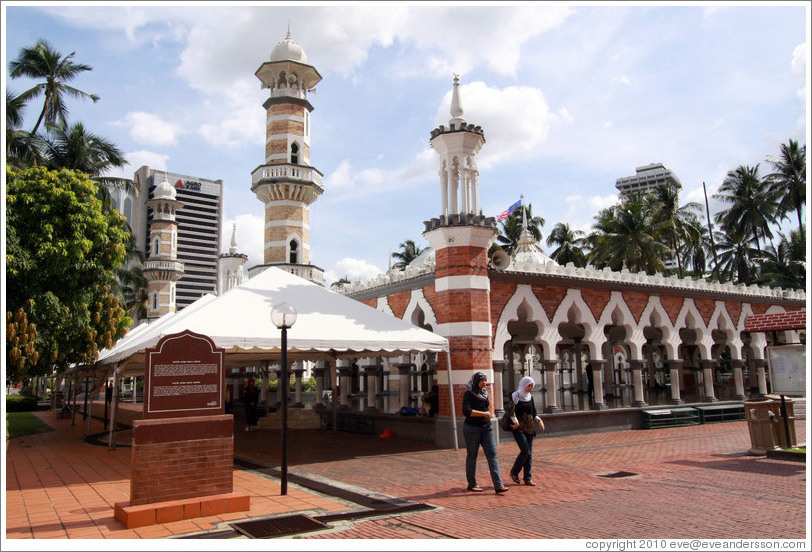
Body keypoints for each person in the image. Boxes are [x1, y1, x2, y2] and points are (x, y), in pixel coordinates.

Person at [462, 371, 509, 494]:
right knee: (472, 456)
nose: (484, 383)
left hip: (486, 427)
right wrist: (484, 414)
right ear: (476, 381)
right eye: (482, 380)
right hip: (472, 428)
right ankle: (472, 484)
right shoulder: (469, 393)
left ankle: (498, 485)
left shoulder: (484, 393)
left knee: (492, 454)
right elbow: (466, 411)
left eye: (485, 380)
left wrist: (487, 415)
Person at [505, 375, 545, 486]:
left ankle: (527, 478)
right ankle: (514, 472)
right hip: (518, 428)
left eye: (532, 386)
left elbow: (533, 413)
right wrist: (516, 422)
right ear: (524, 385)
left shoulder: (529, 397)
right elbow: (510, 411)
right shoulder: (515, 396)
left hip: (529, 428)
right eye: (529, 386)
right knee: (525, 451)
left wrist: (539, 420)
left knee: (529, 454)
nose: (530, 388)